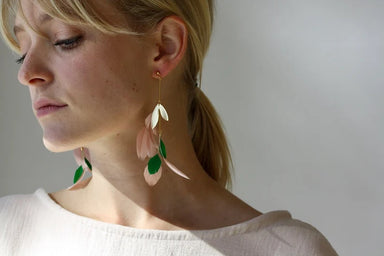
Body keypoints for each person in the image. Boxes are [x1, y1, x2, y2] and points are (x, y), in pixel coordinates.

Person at [0, 0, 338, 255]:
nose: (26, 73)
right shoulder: (9, 231)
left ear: (165, 47)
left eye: (64, 39)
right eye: (22, 50)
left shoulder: (288, 250)